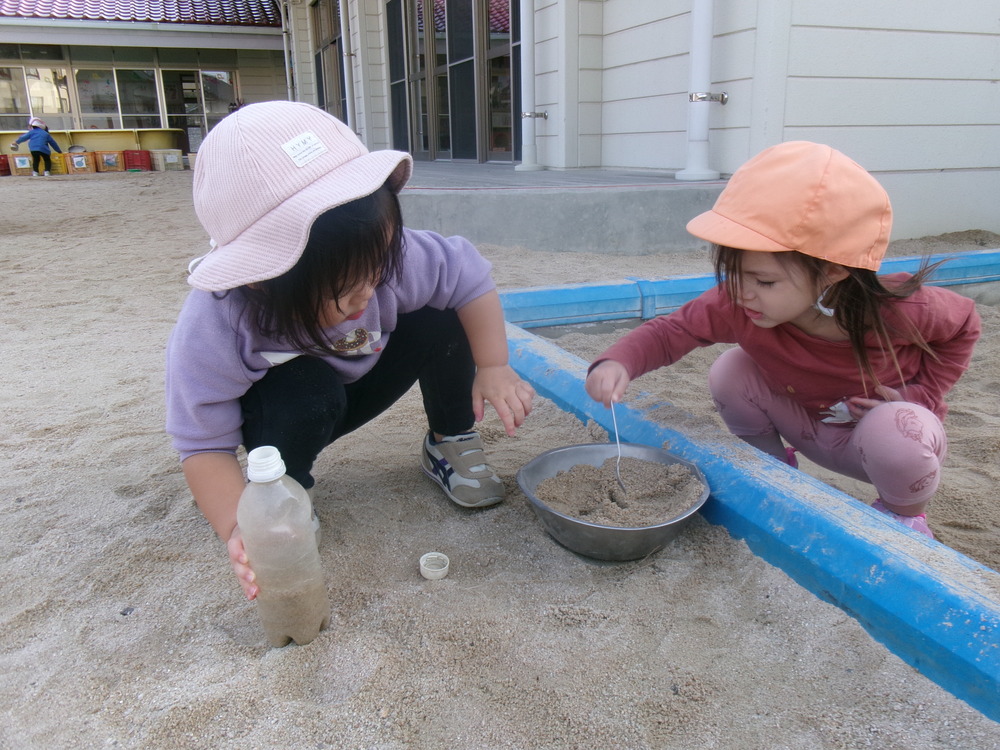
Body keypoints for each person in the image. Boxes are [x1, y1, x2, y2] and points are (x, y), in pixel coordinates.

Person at [166, 101, 535, 599]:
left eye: (379, 266)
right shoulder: (219, 319)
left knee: (443, 313)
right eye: (344, 289)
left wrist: (493, 365)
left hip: (362, 378)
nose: (369, 293)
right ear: (261, 282)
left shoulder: (378, 258)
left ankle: (450, 440)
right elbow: (203, 444)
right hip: (286, 414)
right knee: (305, 388)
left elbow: (466, 274)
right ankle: (286, 499)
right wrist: (242, 527)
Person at [585, 141, 980, 539]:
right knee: (731, 369)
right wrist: (618, 362)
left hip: (877, 440)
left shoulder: (898, 310)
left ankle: (904, 517)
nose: (742, 293)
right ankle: (771, 471)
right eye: (733, 273)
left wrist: (921, 396)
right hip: (806, 425)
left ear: (831, 272)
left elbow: (965, 326)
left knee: (898, 430)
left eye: (764, 281)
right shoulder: (739, 303)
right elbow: (674, 331)